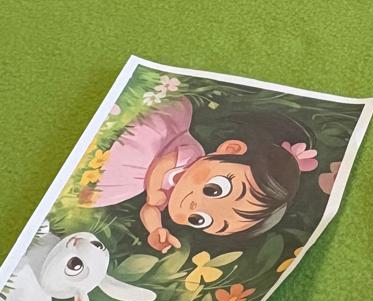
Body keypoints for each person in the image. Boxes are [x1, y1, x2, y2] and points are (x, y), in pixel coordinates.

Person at [86, 97, 308, 252]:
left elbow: (150, 209)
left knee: (94, 186)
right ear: (231, 149)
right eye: (213, 190)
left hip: (132, 179)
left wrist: (156, 229)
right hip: (152, 142)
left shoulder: (172, 195)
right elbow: (163, 165)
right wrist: (154, 190)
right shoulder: (192, 155)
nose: (194, 206)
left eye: (200, 220)